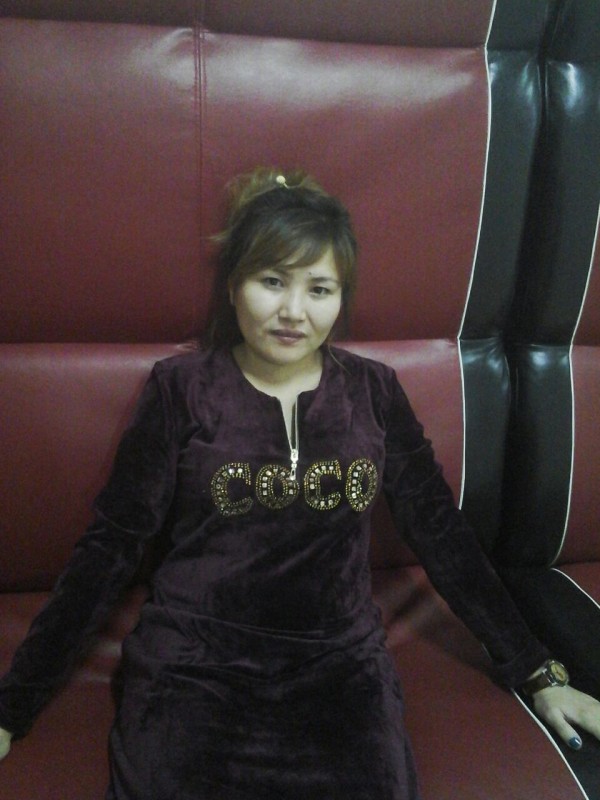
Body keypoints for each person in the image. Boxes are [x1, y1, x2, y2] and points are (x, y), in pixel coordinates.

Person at [0, 167, 599, 798]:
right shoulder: (180, 390)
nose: (293, 311)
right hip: (195, 660)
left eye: (319, 288)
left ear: (341, 299)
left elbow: (442, 534)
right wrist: (13, 707)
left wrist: (536, 671)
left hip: (339, 663)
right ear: (234, 285)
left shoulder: (373, 391)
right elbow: (110, 547)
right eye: (271, 281)